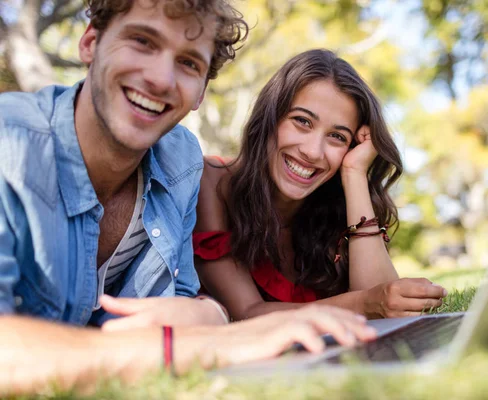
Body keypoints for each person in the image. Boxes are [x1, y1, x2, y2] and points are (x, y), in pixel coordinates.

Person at [0, 1, 376, 395]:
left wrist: (210, 315)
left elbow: (187, 305)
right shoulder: (12, 143)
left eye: (189, 63)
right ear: (91, 42)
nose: (162, 79)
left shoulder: (178, 159)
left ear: (200, 93)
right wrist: (184, 347)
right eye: (143, 41)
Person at [194, 49, 448, 321]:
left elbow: (384, 312)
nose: (314, 152)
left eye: (337, 136)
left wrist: (354, 172)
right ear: (270, 119)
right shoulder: (212, 182)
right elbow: (246, 312)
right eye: (302, 121)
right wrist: (365, 303)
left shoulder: (334, 202)